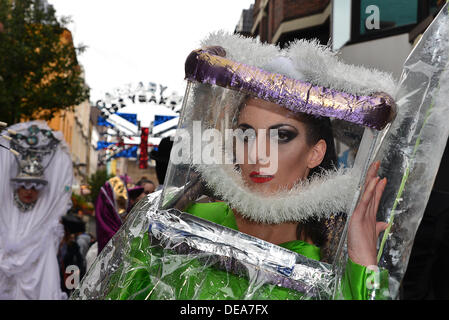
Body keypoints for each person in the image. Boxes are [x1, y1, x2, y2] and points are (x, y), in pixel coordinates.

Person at [72, 33, 397, 300]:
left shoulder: (333, 268)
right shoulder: (174, 221)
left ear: (315, 153)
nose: (258, 153)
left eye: (281, 136)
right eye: (246, 134)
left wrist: (363, 267)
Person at [0, 121, 73, 299]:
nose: (29, 191)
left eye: (34, 187)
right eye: (24, 186)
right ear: (16, 186)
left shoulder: (44, 219)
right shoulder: (6, 214)